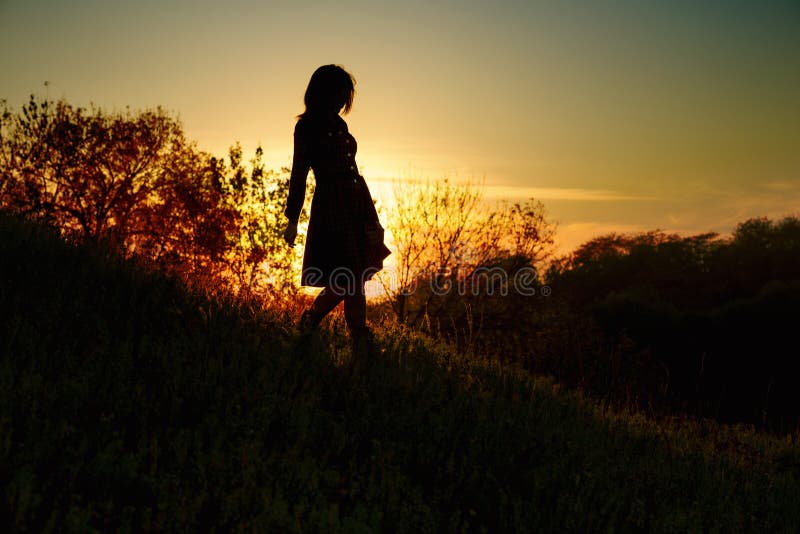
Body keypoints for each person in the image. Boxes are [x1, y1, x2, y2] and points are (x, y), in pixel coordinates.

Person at [282, 64, 391, 356]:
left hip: (357, 201)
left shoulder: (340, 125)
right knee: (348, 276)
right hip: (332, 204)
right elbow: (299, 173)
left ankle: (347, 334)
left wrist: (369, 214)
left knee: (353, 274)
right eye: (340, 93)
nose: (344, 100)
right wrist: (292, 220)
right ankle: (350, 333)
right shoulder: (305, 126)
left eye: (347, 95)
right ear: (324, 91)